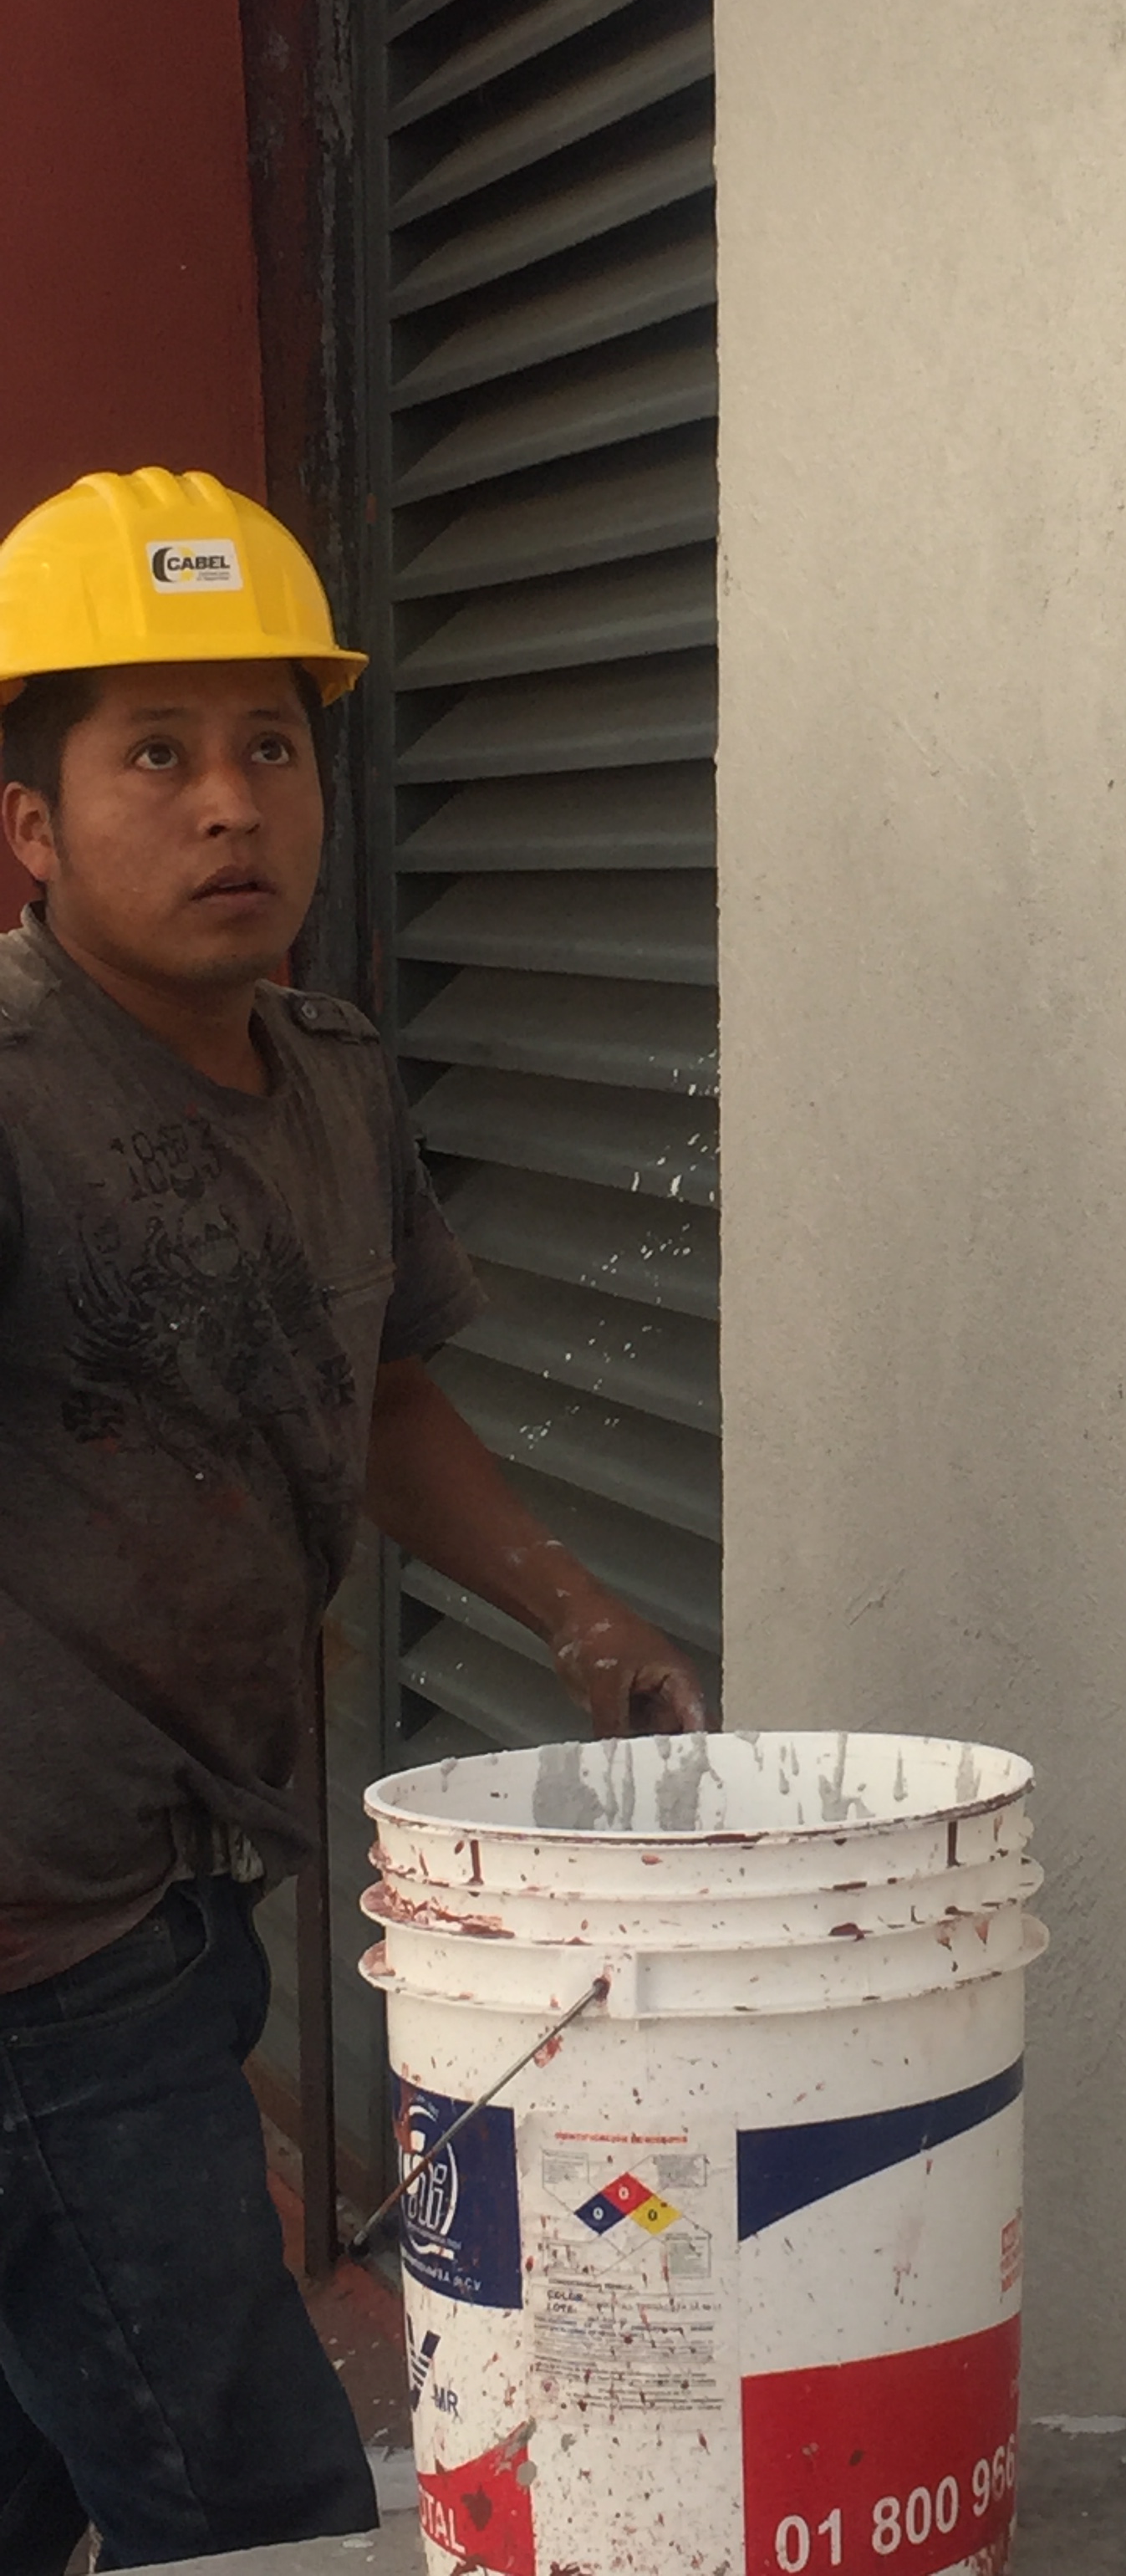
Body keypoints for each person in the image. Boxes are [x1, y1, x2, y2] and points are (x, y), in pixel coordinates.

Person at [0, 467, 713, 2572]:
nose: (231, 804)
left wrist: (573, 1608)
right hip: (37, 1939)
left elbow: (384, 1390)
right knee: (256, 2499)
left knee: (40, 2453)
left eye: (270, 745)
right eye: (155, 754)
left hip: (187, 1873)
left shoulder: (324, 1075)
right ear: (33, 826)